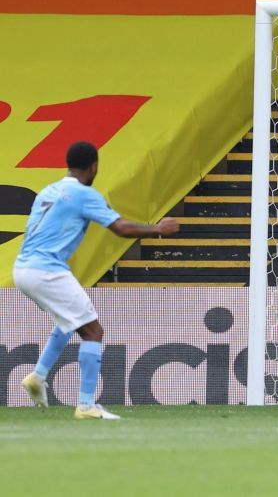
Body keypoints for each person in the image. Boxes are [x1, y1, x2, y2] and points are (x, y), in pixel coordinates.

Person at [15, 141, 180, 420]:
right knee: (93, 332)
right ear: (94, 167)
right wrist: (158, 229)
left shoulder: (48, 190)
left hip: (23, 269)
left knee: (69, 322)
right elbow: (120, 228)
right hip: (47, 270)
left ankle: (38, 376)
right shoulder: (84, 194)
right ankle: (86, 404)